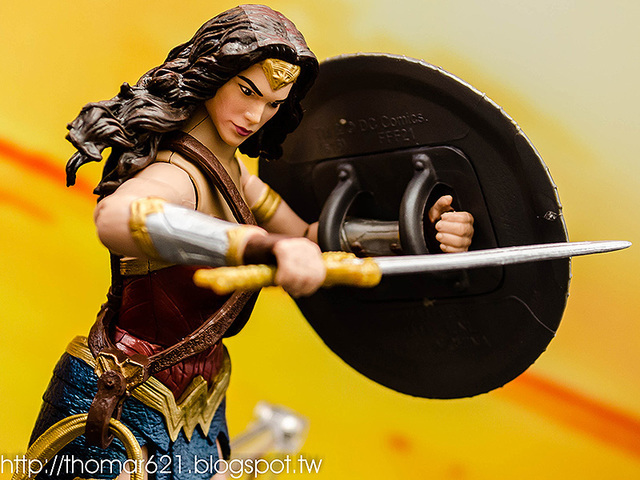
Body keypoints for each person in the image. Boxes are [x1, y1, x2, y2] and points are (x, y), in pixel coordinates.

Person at [28, 5, 474, 479]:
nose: (255, 116)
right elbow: (116, 216)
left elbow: (308, 237)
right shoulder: (176, 175)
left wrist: (414, 232)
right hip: (121, 403)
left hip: (197, 403)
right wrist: (258, 246)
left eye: (273, 104)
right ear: (213, 75)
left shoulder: (233, 174)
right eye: (247, 91)